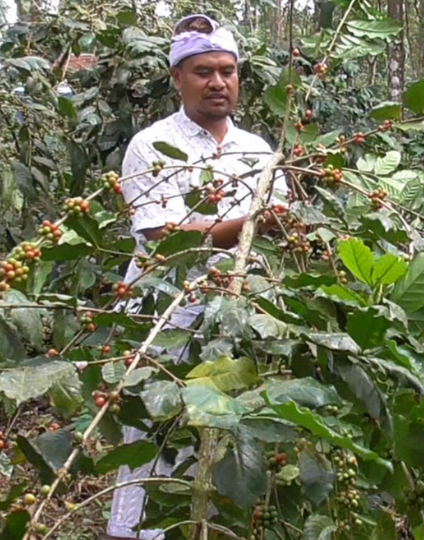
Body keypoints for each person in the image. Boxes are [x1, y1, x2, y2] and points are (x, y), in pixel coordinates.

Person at [106, 14, 287, 539]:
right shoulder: (150, 146)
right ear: (177, 79)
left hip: (233, 319)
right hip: (167, 317)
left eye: (227, 71)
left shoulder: (258, 150)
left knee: (222, 437)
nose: (217, 82)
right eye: (203, 71)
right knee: (155, 437)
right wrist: (251, 222)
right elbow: (165, 236)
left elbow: (278, 229)